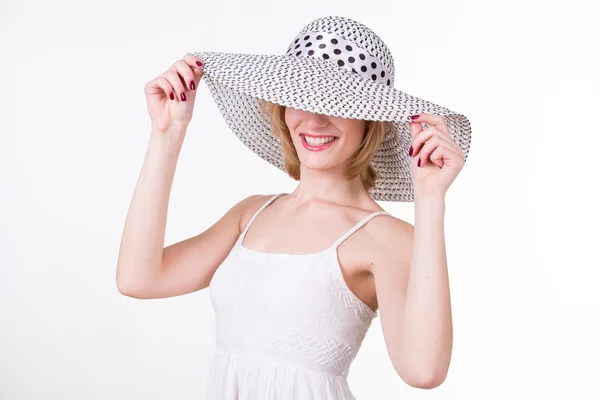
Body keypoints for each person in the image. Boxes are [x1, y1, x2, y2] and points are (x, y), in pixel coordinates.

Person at [116, 15, 471, 400]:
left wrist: (431, 200)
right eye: (300, 98)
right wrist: (167, 134)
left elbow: (424, 371)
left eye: (338, 102)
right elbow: (138, 279)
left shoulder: (385, 237)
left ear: (371, 121)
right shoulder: (251, 215)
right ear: (282, 108)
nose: (315, 119)